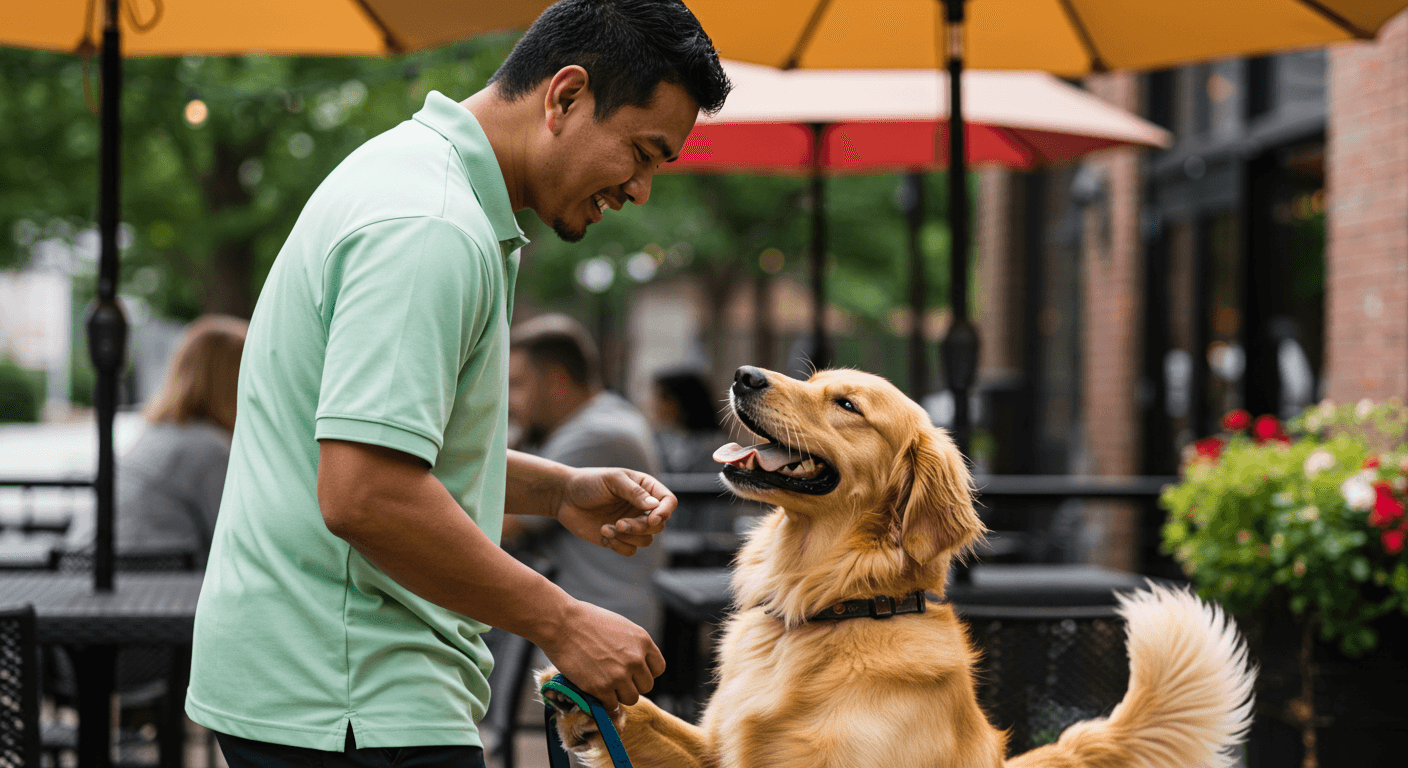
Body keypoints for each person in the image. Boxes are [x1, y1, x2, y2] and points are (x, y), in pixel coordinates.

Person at [184, 3, 730, 767]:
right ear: (565, 97)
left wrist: (560, 490)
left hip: (326, 687)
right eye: (641, 152)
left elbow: (377, 448)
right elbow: (365, 492)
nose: (641, 189)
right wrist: (564, 621)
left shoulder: (431, 188)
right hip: (349, 698)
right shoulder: (432, 225)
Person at [504, 314, 665, 639]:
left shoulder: (595, 434)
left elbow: (498, 525)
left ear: (557, 383)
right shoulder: (600, 417)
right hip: (587, 615)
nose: (508, 401)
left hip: (600, 627)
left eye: (517, 385)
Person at [63, 314, 248, 567]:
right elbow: (236, 542)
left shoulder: (160, 433)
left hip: (82, 564)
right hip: (147, 574)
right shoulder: (208, 448)